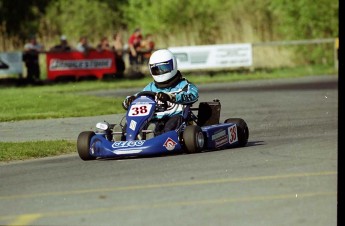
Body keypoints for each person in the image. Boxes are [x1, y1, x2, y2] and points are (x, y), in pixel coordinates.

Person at [122, 49, 199, 134]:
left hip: (175, 118)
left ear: (173, 65)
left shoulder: (183, 85)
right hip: (153, 119)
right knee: (134, 122)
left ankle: (158, 137)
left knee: (171, 124)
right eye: (156, 69)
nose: (160, 72)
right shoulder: (151, 87)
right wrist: (130, 100)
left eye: (164, 68)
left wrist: (171, 97)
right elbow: (139, 96)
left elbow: (193, 95)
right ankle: (125, 135)